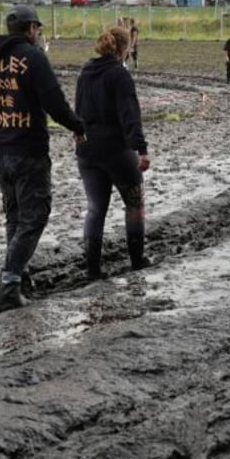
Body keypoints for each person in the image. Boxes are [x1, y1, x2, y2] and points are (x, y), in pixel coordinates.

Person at [0, 5, 85, 308]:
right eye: (38, 29)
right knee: (36, 216)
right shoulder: (33, 57)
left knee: (15, 216)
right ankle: (9, 283)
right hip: (28, 149)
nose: (39, 34)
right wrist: (78, 127)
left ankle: (20, 276)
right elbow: (54, 102)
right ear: (31, 29)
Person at [75, 26, 151, 280]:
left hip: (87, 150)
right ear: (124, 48)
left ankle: (93, 270)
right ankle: (137, 260)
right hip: (116, 149)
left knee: (96, 208)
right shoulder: (119, 75)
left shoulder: (85, 71)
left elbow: (78, 110)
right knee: (135, 203)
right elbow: (130, 116)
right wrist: (141, 149)